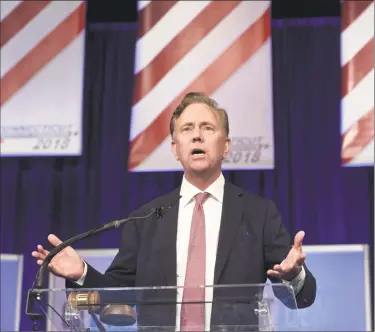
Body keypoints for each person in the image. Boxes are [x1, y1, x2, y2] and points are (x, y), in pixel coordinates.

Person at [32, 92, 316, 331]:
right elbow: (119, 294)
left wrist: (293, 275)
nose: (197, 137)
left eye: (207, 128)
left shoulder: (259, 214)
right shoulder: (146, 218)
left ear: (226, 146)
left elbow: (300, 299)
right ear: (175, 149)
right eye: (187, 129)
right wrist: (82, 272)